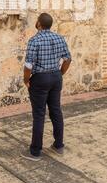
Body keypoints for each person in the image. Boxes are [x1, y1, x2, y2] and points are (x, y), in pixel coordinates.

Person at [21, 13, 71, 161]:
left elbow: (28, 64)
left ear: (39, 24)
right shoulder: (59, 38)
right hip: (56, 76)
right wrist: (60, 73)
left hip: (40, 79)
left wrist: (26, 79)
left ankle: (35, 152)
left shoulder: (34, 40)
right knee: (56, 110)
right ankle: (58, 145)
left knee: (39, 114)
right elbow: (68, 58)